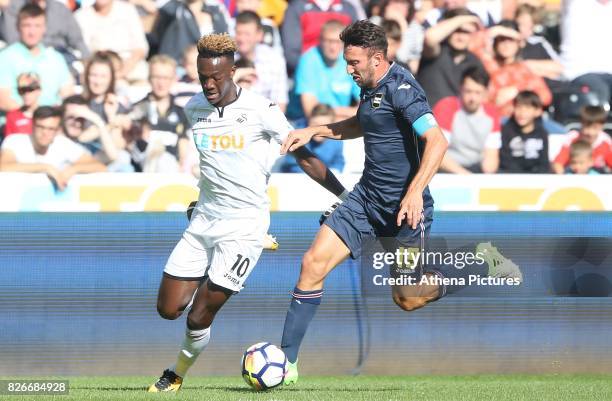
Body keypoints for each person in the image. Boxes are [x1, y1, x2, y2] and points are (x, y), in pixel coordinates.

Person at [277, 20, 520, 385]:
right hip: (365, 202)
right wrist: (314, 130)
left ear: (376, 59)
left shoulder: (404, 89)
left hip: (406, 212)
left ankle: (482, 258)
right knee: (312, 263)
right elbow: (363, 123)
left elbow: (437, 142)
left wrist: (413, 192)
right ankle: (287, 364)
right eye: (347, 61)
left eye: (354, 62)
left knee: (407, 297)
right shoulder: (369, 85)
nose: (349, 69)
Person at [147, 33, 348, 392]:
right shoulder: (194, 108)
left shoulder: (261, 110)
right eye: (202, 76)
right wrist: (200, 202)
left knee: (198, 315)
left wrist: (344, 194)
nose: (209, 84)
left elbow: (303, 157)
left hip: (244, 227)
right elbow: (214, 165)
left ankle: (175, 373)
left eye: (216, 78)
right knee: (168, 309)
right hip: (204, 220)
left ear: (232, 72)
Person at [0, 106, 106, 190]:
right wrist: (45, 168)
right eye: (41, 127)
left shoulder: (62, 143)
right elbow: (3, 167)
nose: (45, 133)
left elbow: (100, 167)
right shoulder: (15, 141)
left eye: (51, 129)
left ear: (57, 130)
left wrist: (73, 169)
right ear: (32, 125)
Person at [0, 3, 73, 112]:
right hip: (17, 124)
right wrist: (35, 116)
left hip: (52, 123)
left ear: (44, 28)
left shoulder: (56, 58)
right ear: (17, 27)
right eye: (27, 25)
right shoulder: (5, 58)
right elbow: (3, 100)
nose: (32, 32)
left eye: (37, 26)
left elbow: (68, 95)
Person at [288, 19, 360, 123]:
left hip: (339, 123)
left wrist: (334, 112)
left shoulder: (350, 61)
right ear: (320, 40)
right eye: (328, 41)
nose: (333, 47)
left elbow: (365, 108)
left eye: (337, 42)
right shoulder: (308, 60)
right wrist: (349, 114)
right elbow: (311, 113)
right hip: (302, 122)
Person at [434, 66, 501, 174]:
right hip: (446, 170)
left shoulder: (491, 114)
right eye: (468, 91)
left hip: (475, 170)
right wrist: (465, 176)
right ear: (461, 89)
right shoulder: (446, 107)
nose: (472, 98)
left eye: (478, 92)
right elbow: (437, 152)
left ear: (486, 92)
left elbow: (491, 156)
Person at [130, 55, 190, 173]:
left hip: (173, 171)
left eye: (166, 78)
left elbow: (184, 146)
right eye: (156, 77)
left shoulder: (182, 112)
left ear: (174, 79)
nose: (161, 83)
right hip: (143, 171)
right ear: (149, 78)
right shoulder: (137, 110)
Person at [417, 8, 485, 107]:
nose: (461, 37)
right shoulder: (436, 51)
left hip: (455, 120)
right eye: (457, 30)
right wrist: (463, 19)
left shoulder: (475, 62)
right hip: (424, 118)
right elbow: (429, 37)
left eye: (466, 32)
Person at [75, 0, 149, 82]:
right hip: (98, 70)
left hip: (128, 68)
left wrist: (122, 72)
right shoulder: (81, 16)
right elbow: (81, 53)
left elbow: (140, 47)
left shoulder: (127, 11)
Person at [280, 0, 358, 74]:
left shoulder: (348, 9)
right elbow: (292, 53)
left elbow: (357, 47)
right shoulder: (296, 8)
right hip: (307, 73)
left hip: (343, 74)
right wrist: (312, 70)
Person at [234, 11, 288, 111]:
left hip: (264, 120)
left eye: (247, 34)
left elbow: (280, 104)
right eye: (239, 33)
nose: (242, 39)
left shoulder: (274, 60)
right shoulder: (225, 58)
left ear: (259, 35)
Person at [280, 103, 345, 173]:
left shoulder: (336, 139)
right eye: (315, 124)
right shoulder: (298, 135)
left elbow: (338, 162)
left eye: (324, 126)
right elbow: (291, 164)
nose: (318, 130)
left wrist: (334, 171)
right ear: (308, 121)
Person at [497, 90, 550, 173]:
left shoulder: (542, 133)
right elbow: (505, 161)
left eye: (527, 108)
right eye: (518, 107)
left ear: (538, 111)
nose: (522, 113)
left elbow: (544, 162)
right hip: (511, 177)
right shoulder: (506, 131)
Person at [552, 106, 612, 174]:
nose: (590, 132)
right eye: (587, 127)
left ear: (602, 126)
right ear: (581, 124)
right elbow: (558, 164)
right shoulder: (572, 139)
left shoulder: (606, 141)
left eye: (595, 128)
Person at [4, 72, 42, 137]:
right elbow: (8, 143)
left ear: (39, 91)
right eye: (22, 90)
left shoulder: (47, 115)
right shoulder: (12, 116)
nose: (26, 94)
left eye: (30, 89)